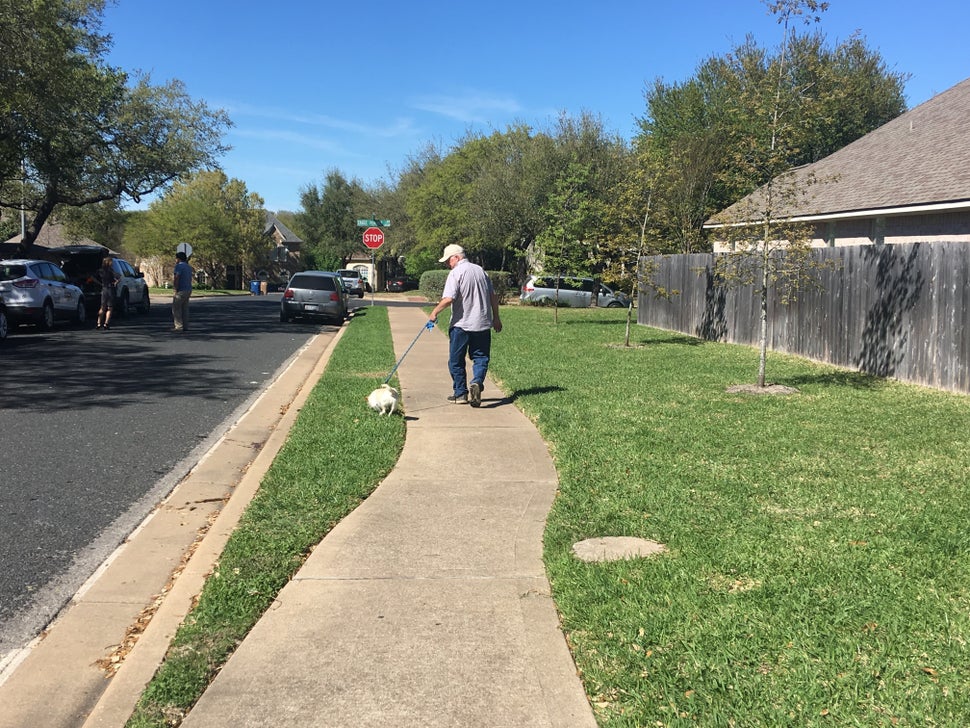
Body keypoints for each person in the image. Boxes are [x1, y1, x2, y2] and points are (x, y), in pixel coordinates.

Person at [428, 244, 502, 407]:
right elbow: (493, 297)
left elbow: (449, 298)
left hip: (461, 325)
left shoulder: (456, 273)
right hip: (482, 324)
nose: (448, 264)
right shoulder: (481, 271)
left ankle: (461, 393)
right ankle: (477, 382)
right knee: (481, 358)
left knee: (456, 360)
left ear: (456, 257)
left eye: (448, 260)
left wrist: (434, 313)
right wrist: (496, 318)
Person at [172, 250, 193, 332]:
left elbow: (177, 277)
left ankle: (178, 326)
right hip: (188, 289)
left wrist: (175, 288)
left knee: (176, 308)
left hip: (181, 290)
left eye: (176, 258)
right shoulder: (188, 267)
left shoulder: (179, 266)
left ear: (179, 259)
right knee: (185, 308)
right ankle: (185, 326)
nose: (175, 260)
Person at [96, 256, 119, 330]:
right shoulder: (111, 271)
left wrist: (100, 283)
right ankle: (106, 323)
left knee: (102, 307)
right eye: (111, 262)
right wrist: (115, 283)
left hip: (104, 289)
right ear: (108, 262)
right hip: (110, 289)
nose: (112, 263)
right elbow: (119, 277)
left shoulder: (100, 271)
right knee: (110, 308)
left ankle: (99, 323)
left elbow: (92, 277)